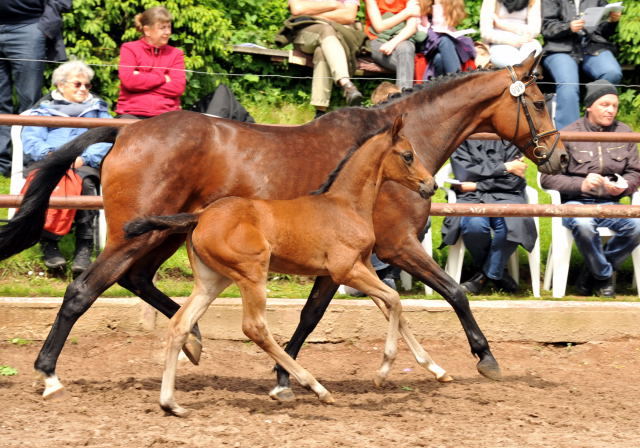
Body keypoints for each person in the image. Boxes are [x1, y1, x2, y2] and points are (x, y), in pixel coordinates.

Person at [540, 80, 640, 298]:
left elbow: (635, 172)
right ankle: (604, 277)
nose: (611, 110)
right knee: (584, 224)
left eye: (614, 105)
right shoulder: (568, 134)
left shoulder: (624, 132)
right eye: (605, 104)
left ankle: (592, 273)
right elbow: (547, 178)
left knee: (638, 225)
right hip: (576, 203)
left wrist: (622, 187)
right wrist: (580, 184)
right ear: (589, 106)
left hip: (611, 203)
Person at [21, 60, 113, 273]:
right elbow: (32, 138)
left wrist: (84, 158)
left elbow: (107, 137)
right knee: (47, 183)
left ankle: (84, 246)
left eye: (87, 85)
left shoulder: (97, 109)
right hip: (49, 161)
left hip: (84, 163)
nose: (83, 89)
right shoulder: (44, 109)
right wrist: (52, 157)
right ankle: (49, 244)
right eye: (78, 84)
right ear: (61, 86)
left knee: (87, 185)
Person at [441, 139, 537, 294]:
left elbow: (514, 180)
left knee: (513, 225)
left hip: (506, 195)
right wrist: (505, 167)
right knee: (474, 226)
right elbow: (464, 173)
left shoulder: (510, 141)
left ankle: (484, 276)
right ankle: (498, 274)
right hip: (471, 198)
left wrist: (477, 184)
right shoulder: (462, 141)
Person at [0, 0, 71, 177]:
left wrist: (44, 27)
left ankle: (27, 160)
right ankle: (2, 164)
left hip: (28, 27)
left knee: (29, 105)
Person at [541, 0, 623, 130]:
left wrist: (612, 22)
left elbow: (603, 32)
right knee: (569, 84)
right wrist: (568, 27)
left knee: (612, 72)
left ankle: (593, 124)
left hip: (591, 46)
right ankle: (571, 136)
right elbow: (545, 27)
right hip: (560, 48)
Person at [277, 1, 365, 119]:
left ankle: (320, 112)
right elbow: (297, 9)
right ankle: (346, 84)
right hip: (306, 34)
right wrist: (335, 5)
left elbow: (349, 16)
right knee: (326, 30)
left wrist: (313, 15)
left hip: (338, 35)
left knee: (322, 51)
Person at [116, 6, 186, 119]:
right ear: (147, 30)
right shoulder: (129, 49)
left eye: (169, 27)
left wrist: (141, 80)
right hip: (132, 113)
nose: (168, 32)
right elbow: (128, 81)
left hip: (168, 115)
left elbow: (178, 87)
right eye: (162, 28)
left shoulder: (176, 54)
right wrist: (163, 78)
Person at [365, 0, 422, 90]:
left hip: (402, 38)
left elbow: (411, 28)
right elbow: (379, 27)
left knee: (406, 48)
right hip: (377, 40)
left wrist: (392, 43)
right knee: (407, 63)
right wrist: (407, 12)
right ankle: (406, 97)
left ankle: (402, 98)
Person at [417, 0, 475, 78]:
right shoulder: (418, 3)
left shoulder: (447, 2)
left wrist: (439, 3)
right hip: (428, 41)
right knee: (445, 41)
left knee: (439, 59)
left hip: (447, 40)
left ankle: (451, 86)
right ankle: (458, 82)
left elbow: (444, 24)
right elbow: (421, 30)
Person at [479, 0, 542, 68]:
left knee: (530, 56)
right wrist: (512, 40)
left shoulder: (533, 1)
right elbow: (486, 33)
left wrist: (502, 25)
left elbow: (535, 30)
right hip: (500, 41)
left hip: (526, 40)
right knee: (514, 65)